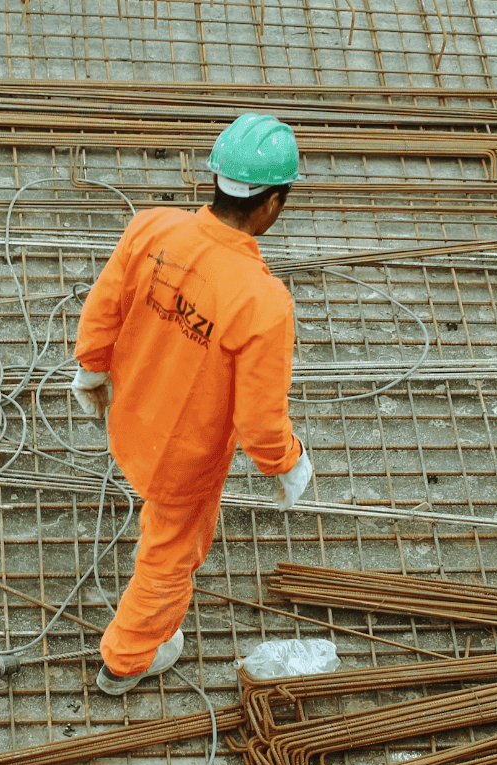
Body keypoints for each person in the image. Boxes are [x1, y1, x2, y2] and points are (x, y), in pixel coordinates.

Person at [70, 112, 314, 696]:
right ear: (272, 205)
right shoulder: (263, 303)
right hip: (183, 458)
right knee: (169, 556)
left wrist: (89, 370)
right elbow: (259, 422)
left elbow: (103, 307)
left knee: (158, 522)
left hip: (129, 419)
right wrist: (288, 462)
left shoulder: (152, 229)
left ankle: (136, 644)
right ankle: (126, 660)